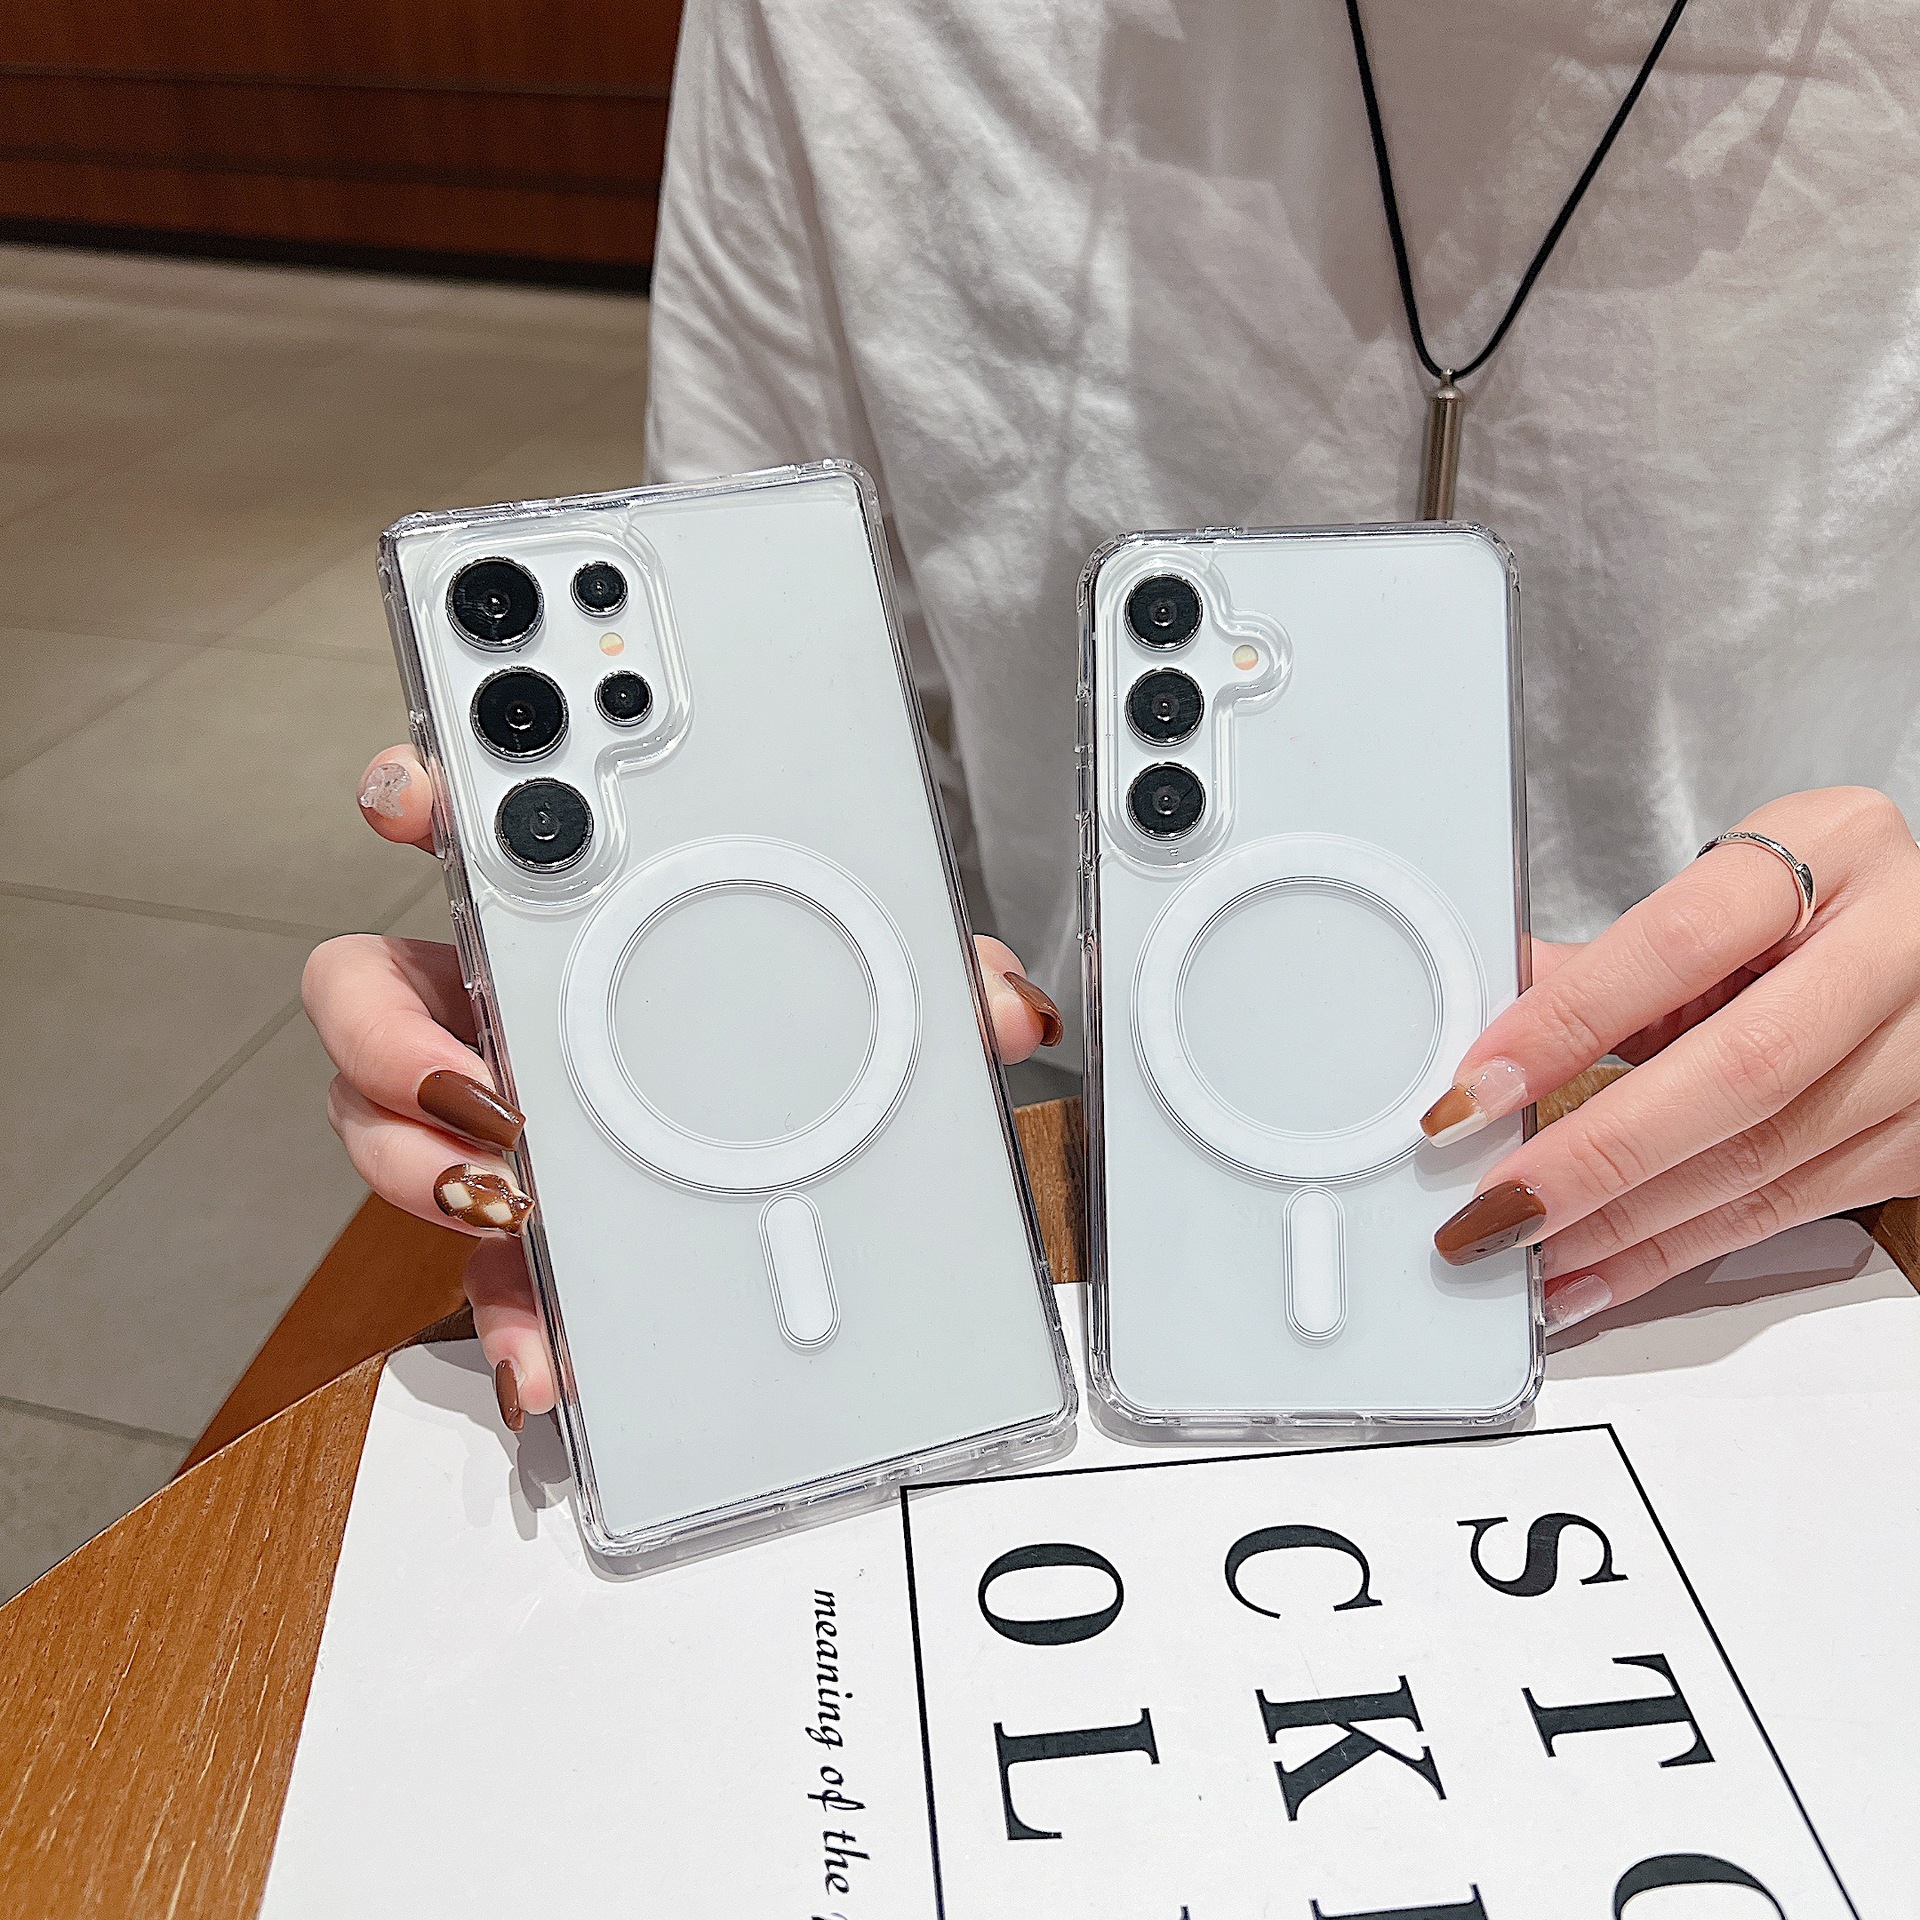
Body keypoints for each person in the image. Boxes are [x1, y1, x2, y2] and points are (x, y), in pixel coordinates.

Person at [305, 1, 1920, 1430]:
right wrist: (670, 1048)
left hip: (1812, 1242)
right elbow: (750, 707)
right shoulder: (846, 28)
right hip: (1073, 1226)